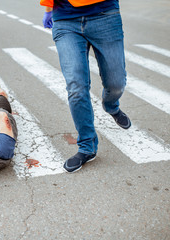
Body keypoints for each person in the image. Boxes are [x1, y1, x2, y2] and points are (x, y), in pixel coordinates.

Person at [41, 0, 131, 173]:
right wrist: (48, 8)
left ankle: (111, 106)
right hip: (65, 19)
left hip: (105, 16)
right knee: (76, 87)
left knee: (116, 83)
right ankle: (87, 146)